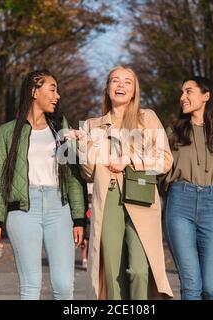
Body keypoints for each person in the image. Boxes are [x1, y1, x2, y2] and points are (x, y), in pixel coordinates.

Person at [75, 66, 174, 300]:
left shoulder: (147, 118)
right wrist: (81, 144)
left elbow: (165, 160)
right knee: (111, 272)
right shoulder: (91, 125)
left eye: (127, 82)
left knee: (139, 270)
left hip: (140, 197)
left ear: (134, 91)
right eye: (115, 81)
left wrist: (129, 159)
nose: (121, 86)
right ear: (107, 88)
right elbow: (88, 173)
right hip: (107, 199)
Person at [0, 70, 86, 300]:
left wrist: (79, 217)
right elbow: (0, 178)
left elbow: (73, 175)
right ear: (34, 91)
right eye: (52, 89)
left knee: (63, 286)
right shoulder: (7, 131)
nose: (57, 95)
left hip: (59, 209)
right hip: (23, 211)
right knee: (31, 286)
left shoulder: (61, 127)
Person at [163, 76, 213, 300]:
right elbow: (158, 166)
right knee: (191, 284)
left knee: (210, 287)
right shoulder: (174, 131)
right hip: (180, 202)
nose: (183, 97)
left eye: (189, 91)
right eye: (181, 92)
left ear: (206, 95)